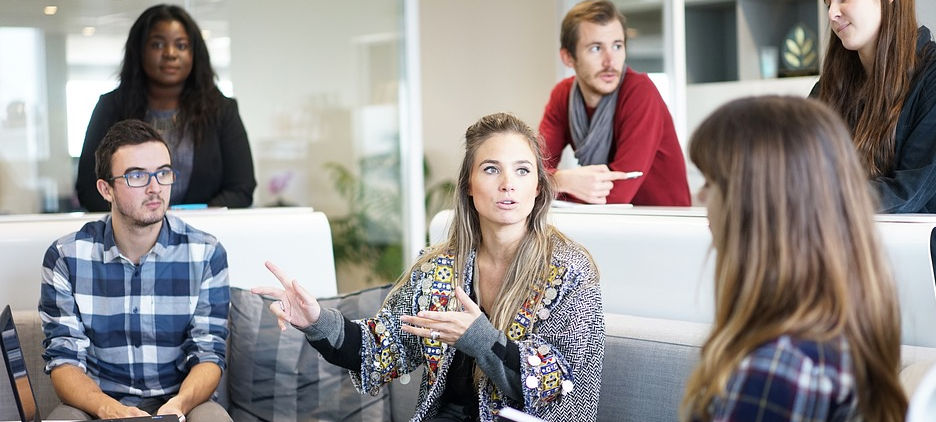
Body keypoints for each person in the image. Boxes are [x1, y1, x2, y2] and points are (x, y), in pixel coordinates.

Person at [253, 113, 604, 422]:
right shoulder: (438, 268)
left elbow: (558, 385)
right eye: (491, 168)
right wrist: (317, 321)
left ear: (538, 187)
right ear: (469, 185)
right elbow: (382, 347)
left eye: (522, 170)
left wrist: (481, 339)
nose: (507, 183)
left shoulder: (570, 270)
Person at [681, 96, 907, 422]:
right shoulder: (835, 334)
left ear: (756, 203)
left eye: (710, 182)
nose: (700, 197)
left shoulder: (777, 371)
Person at [40, 119, 230, 421]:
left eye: (163, 173)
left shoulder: (206, 253)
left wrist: (178, 406)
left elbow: (209, 353)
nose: (155, 188)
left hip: (181, 403)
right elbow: (64, 361)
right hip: (96, 404)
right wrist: (110, 410)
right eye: (137, 175)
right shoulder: (66, 256)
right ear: (106, 189)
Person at [812, 0, 936, 340]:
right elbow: (798, 173)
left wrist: (806, 201)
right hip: (847, 281)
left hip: (924, 290)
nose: (833, 12)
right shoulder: (829, 89)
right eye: (826, 1)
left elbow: (907, 193)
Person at [76, 4, 256, 212]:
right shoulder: (111, 108)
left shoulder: (222, 110)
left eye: (181, 45)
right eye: (157, 45)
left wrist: (187, 221)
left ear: (195, 54)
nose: (170, 54)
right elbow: (89, 190)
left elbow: (241, 189)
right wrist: (142, 218)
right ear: (139, 50)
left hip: (204, 235)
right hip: (129, 238)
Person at [538, 0, 690, 206]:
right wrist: (562, 180)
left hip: (663, 226)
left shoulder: (640, 92)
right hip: (607, 223)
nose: (610, 61)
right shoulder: (562, 95)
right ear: (568, 58)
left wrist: (550, 184)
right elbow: (531, 171)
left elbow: (617, 194)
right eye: (595, 48)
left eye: (617, 46)